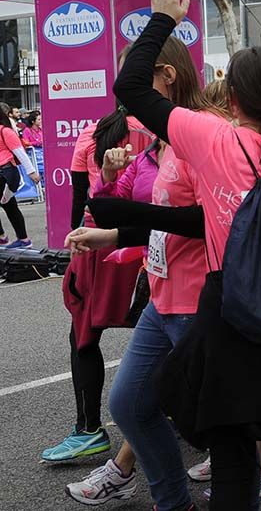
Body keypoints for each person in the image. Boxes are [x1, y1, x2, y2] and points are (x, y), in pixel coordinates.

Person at [115, 0, 261, 510]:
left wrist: (163, 18)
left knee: (232, 464)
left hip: (229, 313)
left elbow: (131, 87)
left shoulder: (211, 138)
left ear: (231, 96)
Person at [63, 35, 221, 510]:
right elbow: (133, 207)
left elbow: (207, 221)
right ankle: (174, 501)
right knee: (130, 405)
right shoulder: (159, 138)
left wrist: (120, 221)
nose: (126, 100)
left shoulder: (204, 131)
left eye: (135, 85)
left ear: (166, 77)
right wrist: (110, 228)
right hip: (162, 296)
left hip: (200, 301)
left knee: (219, 423)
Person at [42, 101, 153, 464]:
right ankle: (172, 412)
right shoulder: (161, 130)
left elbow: (80, 197)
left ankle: (89, 429)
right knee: (164, 330)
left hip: (98, 244)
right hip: (151, 243)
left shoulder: (91, 132)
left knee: (84, 336)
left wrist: (77, 241)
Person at [0, 103, 39, 248]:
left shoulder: (6, 131)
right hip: (5, 173)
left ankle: (15, 239)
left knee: (10, 206)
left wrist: (32, 172)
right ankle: (21, 239)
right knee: (10, 206)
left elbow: (20, 152)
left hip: (6, 173)